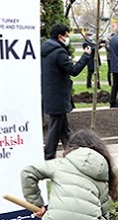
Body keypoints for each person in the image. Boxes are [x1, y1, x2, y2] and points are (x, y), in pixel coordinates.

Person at [41, 24, 91, 160]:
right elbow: (73, 70)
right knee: (56, 125)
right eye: (66, 35)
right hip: (58, 94)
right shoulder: (59, 52)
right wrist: (86, 56)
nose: (67, 38)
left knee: (64, 128)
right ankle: (49, 154)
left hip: (50, 93)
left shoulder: (45, 50)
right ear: (60, 36)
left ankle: (70, 150)